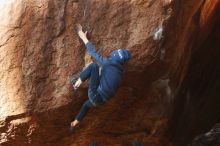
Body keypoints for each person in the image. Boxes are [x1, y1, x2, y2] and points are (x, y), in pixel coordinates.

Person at [70, 24, 131, 129]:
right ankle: (75, 122)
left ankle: (76, 83)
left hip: (96, 95)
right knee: (86, 105)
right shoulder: (120, 72)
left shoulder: (108, 63)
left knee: (93, 66)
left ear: (114, 57)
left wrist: (83, 37)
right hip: (101, 101)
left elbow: (93, 52)